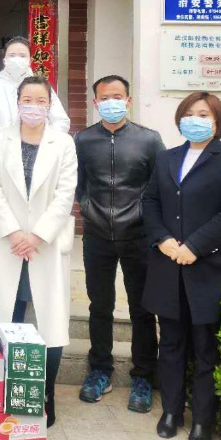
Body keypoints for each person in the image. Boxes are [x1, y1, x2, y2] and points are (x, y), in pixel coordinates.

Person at [143, 92, 221, 440]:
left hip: (210, 268)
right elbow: (150, 201)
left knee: (206, 348)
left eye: (203, 114)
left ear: (218, 120)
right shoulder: (166, 158)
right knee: (171, 344)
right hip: (168, 266)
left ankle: (203, 421)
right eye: (189, 114)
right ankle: (171, 412)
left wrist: (194, 246)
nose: (195, 120)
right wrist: (162, 239)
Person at [0, 75, 77, 428]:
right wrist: (15, 233)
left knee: (51, 323)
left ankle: (45, 394)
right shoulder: (0, 140)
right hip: (9, 243)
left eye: (41, 100)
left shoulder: (63, 143)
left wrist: (36, 236)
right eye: (27, 100)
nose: (34, 106)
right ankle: (3, 387)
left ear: (50, 105)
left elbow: (65, 194)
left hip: (44, 246)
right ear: (17, 102)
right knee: (7, 316)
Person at [74, 75, 166, 413]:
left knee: (142, 308)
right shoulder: (82, 140)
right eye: (104, 97)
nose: (111, 102)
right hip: (97, 235)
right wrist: (87, 207)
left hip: (138, 236)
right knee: (100, 306)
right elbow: (77, 184)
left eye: (118, 96)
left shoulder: (149, 140)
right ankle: (100, 370)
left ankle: (143, 375)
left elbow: (159, 187)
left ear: (128, 100)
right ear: (95, 103)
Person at [0, 36, 71, 144]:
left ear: (30, 61)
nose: (17, 59)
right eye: (12, 55)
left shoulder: (41, 87)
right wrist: (6, 137)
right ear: (4, 60)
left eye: (22, 56)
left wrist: (41, 139)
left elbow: (61, 121)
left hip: (39, 151)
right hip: (1, 151)